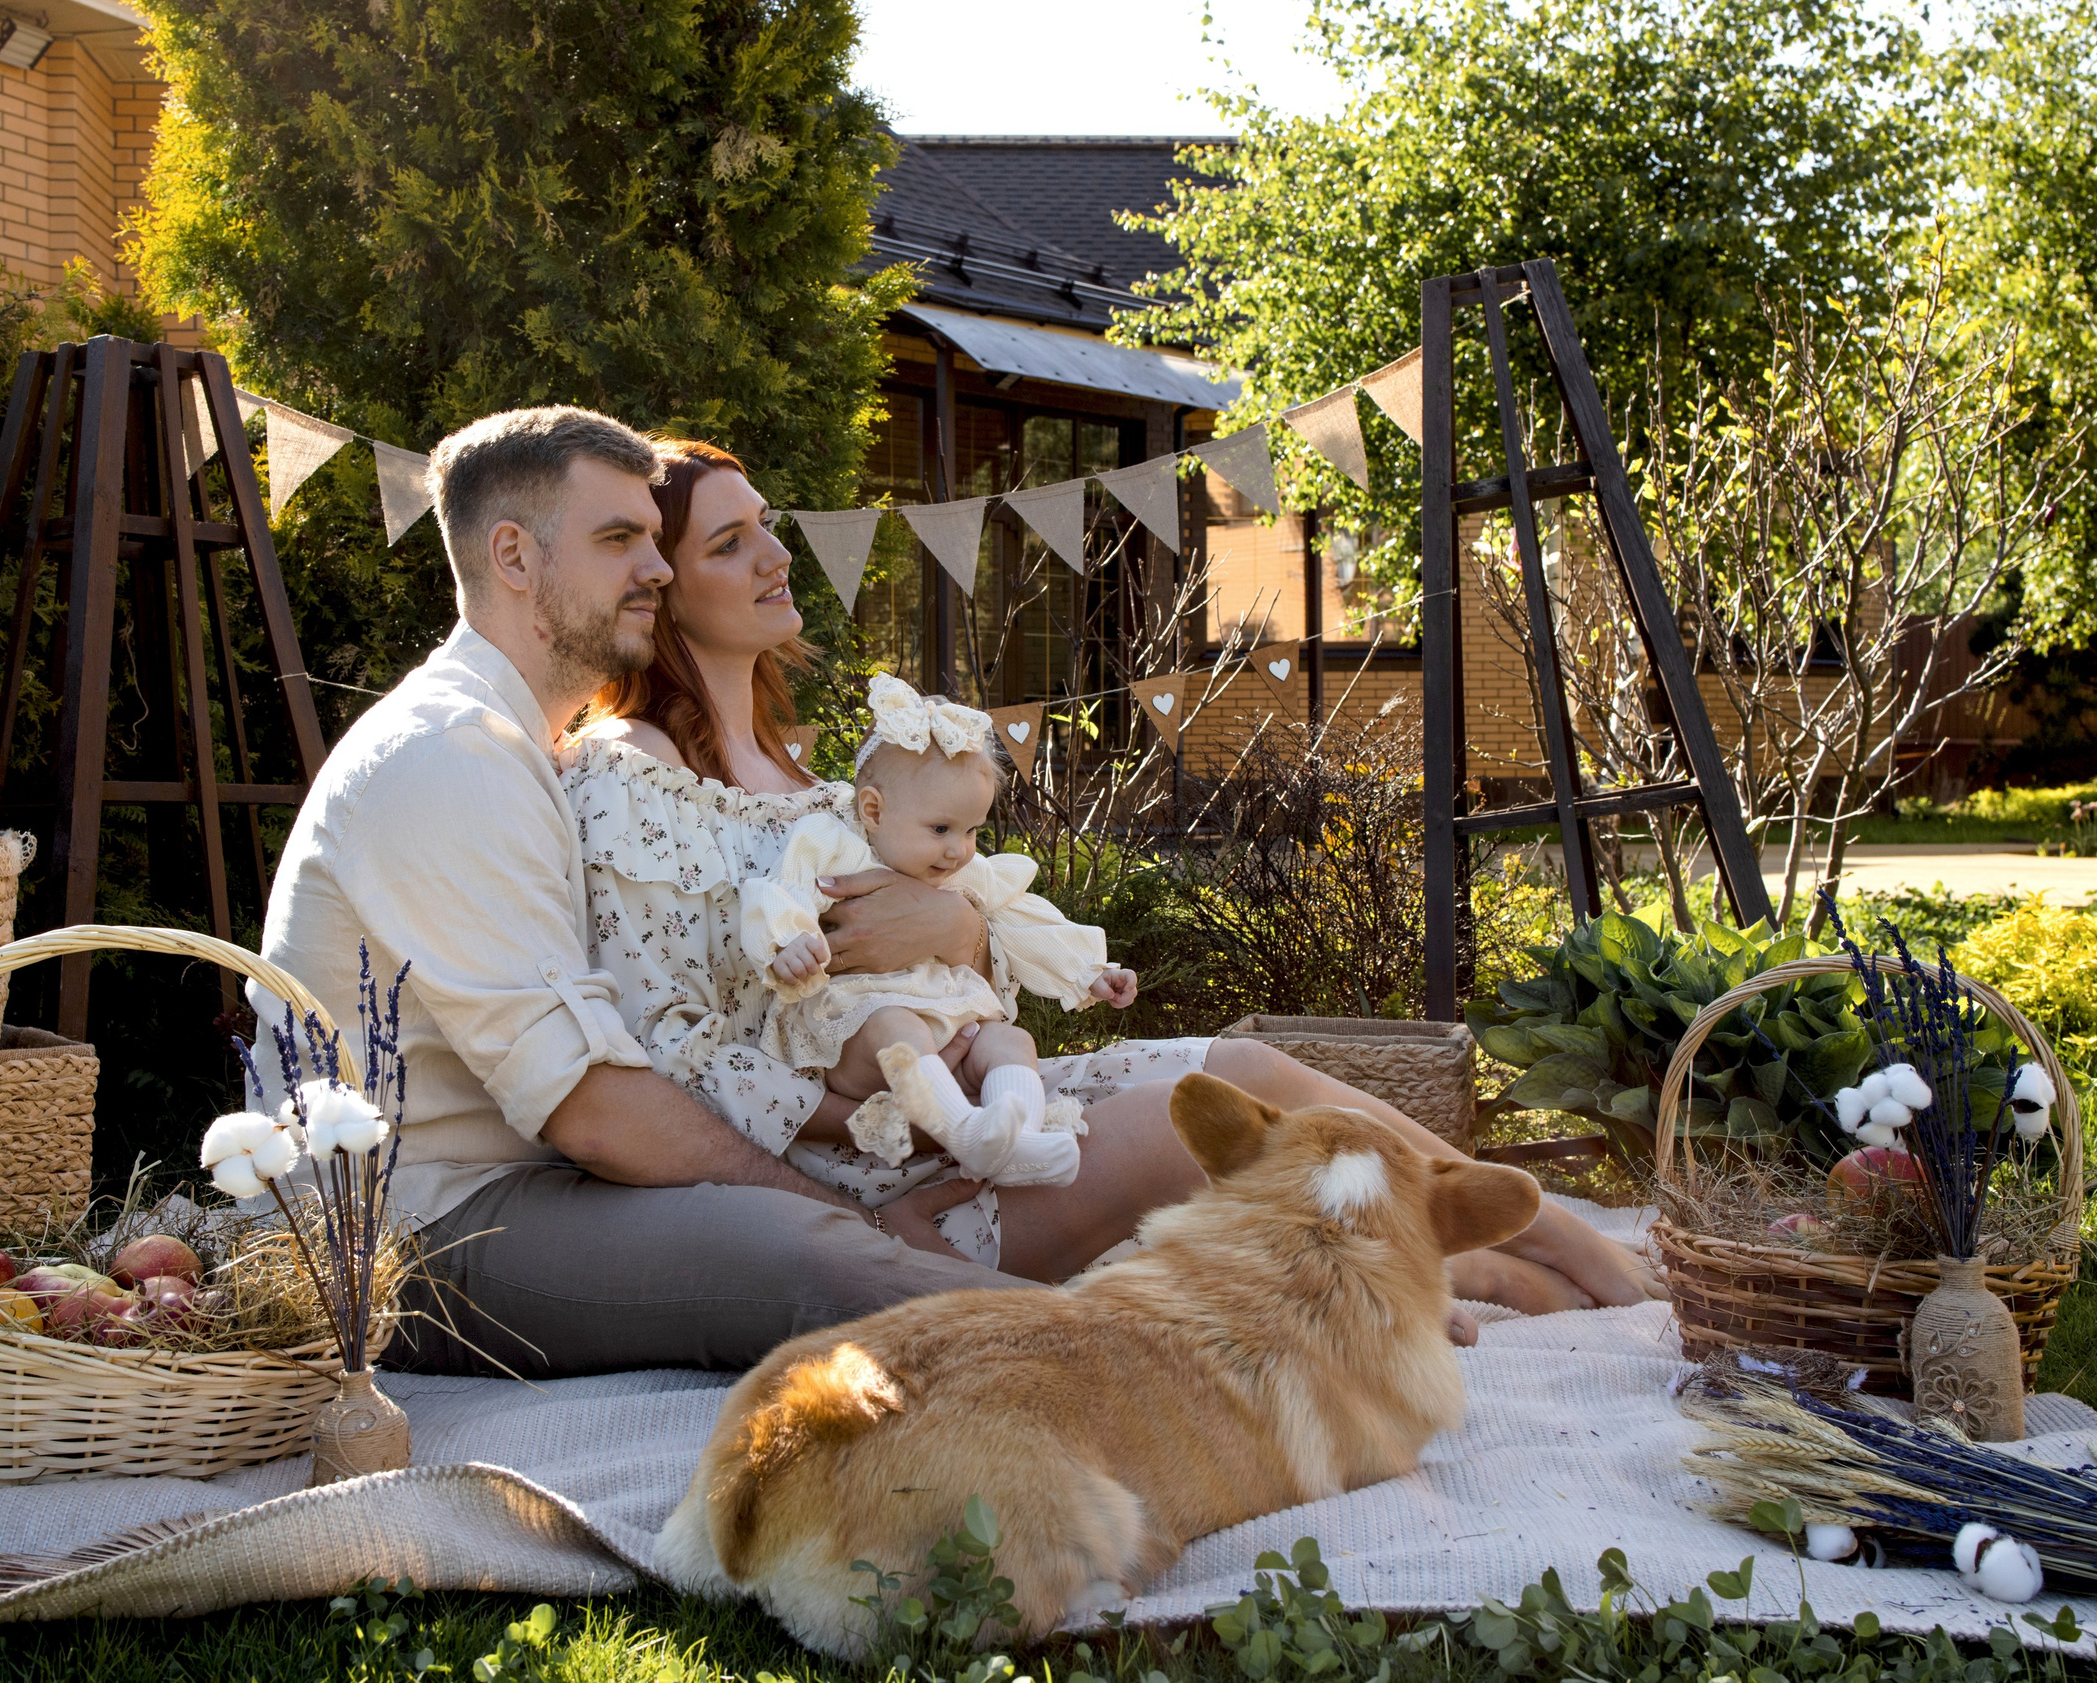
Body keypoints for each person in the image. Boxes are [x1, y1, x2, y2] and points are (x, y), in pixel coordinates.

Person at [254, 409, 1655, 1382]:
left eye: (658, 536)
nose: (667, 564)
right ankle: (1231, 1347)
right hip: (485, 1209)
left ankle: (1598, 1275)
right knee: (889, 1226)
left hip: (906, 1089)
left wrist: (969, 936)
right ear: (516, 556)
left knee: (1243, 1073)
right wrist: (870, 1171)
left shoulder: (575, 749)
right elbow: (618, 1076)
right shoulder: (484, 759)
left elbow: (909, 911)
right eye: (636, 539)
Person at [563, 438, 1666, 1311]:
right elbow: (669, 1049)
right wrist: (853, 1139)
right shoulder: (634, 776)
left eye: (767, 529)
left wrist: (956, 939)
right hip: (884, 1166)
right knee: (1192, 1121)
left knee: (1244, 1062)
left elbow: (941, 925)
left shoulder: (808, 763)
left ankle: (1543, 1242)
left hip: (971, 1086)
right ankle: (1477, 1267)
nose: (772, 557)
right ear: (658, 580)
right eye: (728, 545)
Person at [732, 672, 1134, 1263]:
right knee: (901, 1025)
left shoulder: (957, 872)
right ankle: (966, 1136)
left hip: (945, 1020)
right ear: (873, 809)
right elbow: (780, 892)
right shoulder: (832, 844)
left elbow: (1017, 915)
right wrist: (786, 945)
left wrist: (1085, 970)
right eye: (942, 829)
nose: (959, 849)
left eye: (972, 830)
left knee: (1008, 1038)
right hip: (855, 1029)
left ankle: (1014, 1133)